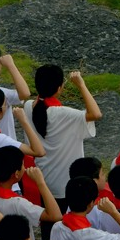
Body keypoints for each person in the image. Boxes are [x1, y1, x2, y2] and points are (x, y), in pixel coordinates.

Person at [23, 65, 101, 205]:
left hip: (43, 177)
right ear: (59, 89)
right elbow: (95, 114)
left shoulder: (28, 106)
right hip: (65, 183)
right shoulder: (63, 114)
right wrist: (81, 85)